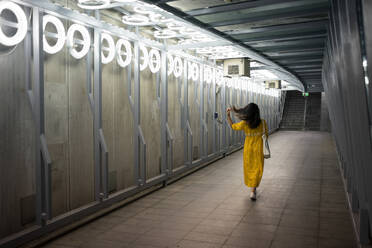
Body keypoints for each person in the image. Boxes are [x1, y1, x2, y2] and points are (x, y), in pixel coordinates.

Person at [227, 103, 268, 201]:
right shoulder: (262, 123)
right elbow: (266, 135)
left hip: (248, 150)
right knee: (257, 169)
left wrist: (228, 116)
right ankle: (253, 190)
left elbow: (233, 126)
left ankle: (252, 190)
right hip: (259, 149)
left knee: (250, 169)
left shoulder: (245, 124)